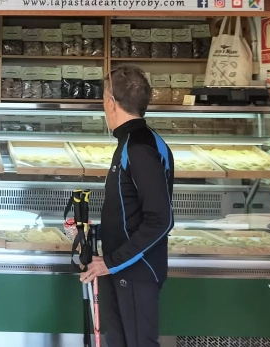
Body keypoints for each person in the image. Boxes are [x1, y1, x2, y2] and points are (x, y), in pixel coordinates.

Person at [80, 65, 174, 347]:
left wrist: (111, 262)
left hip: (135, 271)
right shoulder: (132, 142)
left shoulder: (138, 148)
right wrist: (93, 232)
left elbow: (160, 220)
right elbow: (129, 210)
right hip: (120, 268)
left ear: (111, 103)